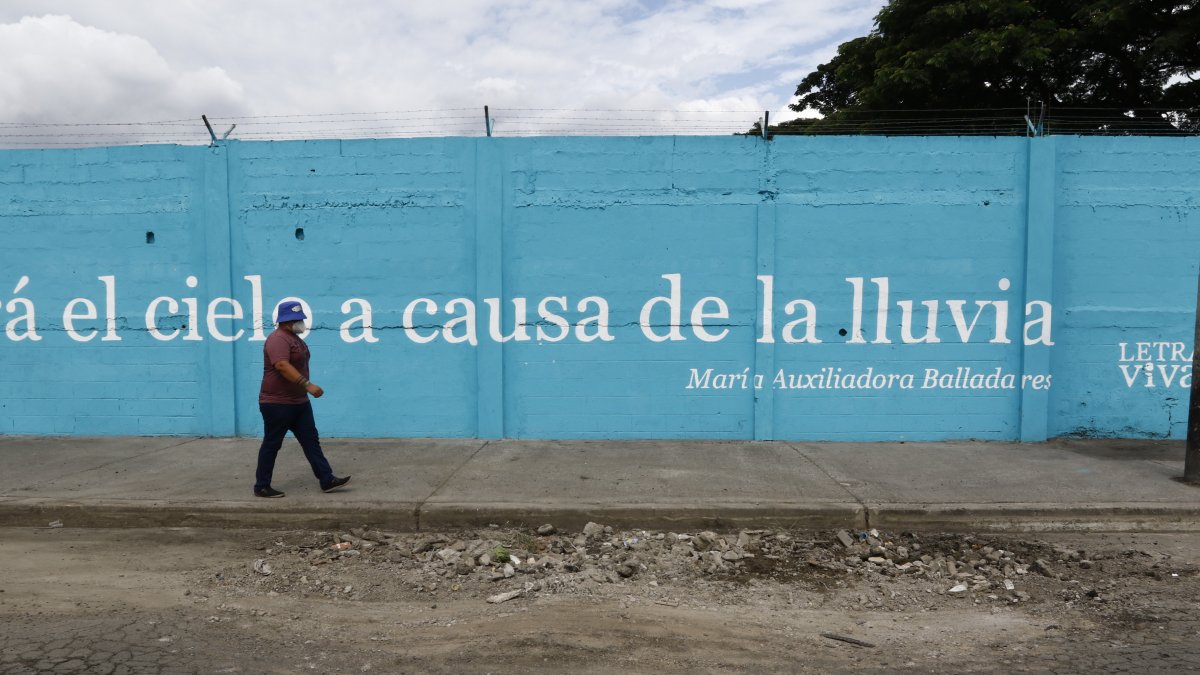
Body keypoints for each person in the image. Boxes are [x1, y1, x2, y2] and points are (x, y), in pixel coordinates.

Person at [253, 301, 350, 498]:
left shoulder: (295, 339)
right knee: (272, 444)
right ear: (287, 321)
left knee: (311, 441)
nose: (301, 322)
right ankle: (262, 486)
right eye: (297, 319)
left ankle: (326, 479)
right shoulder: (278, 339)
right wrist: (308, 385)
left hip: (298, 402)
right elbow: (281, 365)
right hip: (277, 403)